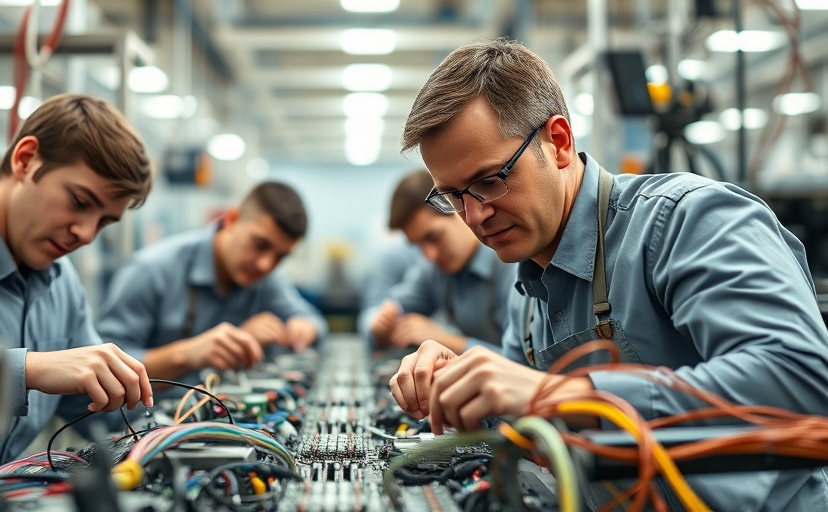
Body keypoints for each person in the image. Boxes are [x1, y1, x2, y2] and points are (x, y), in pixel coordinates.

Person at [390, 39, 828, 509]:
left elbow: (802, 379)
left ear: (558, 142)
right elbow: (533, 426)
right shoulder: (529, 284)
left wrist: (566, 396)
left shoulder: (683, 221)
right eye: (453, 197)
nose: (474, 217)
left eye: (490, 181)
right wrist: (460, 384)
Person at [0, 93, 155, 478]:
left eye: (103, 222)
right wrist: (29, 369)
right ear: (25, 160)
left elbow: (93, 410)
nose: (85, 234)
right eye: (79, 201)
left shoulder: (62, 284)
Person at [97, 181, 327, 392]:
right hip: (143, 428)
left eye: (281, 256)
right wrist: (187, 355)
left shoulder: (264, 278)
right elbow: (104, 368)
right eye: (260, 244)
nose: (266, 264)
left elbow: (312, 320)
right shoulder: (151, 270)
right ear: (231, 219)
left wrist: (303, 327)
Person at [359, 169, 517, 353]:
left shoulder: (511, 266)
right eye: (418, 245)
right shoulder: (433, 270)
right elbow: (378, 314)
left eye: (433, 237)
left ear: (459, 210)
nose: (429, 255)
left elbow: (522, 364)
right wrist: (380, 326)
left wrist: (444, 340)